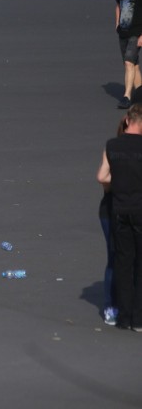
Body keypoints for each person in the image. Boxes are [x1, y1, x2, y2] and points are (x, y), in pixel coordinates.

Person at [96, 104, 142, 331]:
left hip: (117, 209)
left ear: (127, 121)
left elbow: (102, 176)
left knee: (121, 261)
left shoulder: (112, 146)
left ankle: (121, 315)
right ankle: (138, 317)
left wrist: (118, 183)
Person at [115, 0, 142, 109]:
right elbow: (118, 5)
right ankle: (140, 94)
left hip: (137, 32)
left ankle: (127, 96)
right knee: (133, 64)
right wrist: (117, 22)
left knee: (128, 63)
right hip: (123, 32)